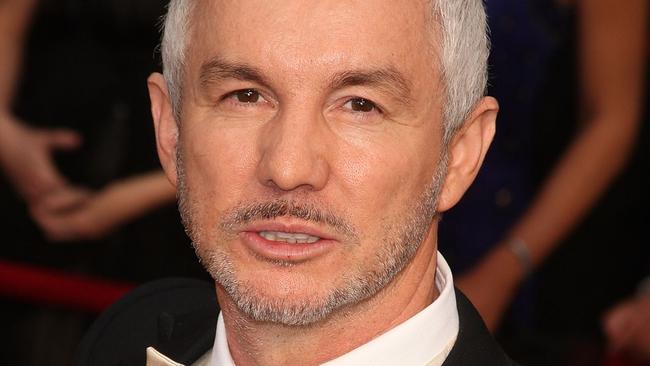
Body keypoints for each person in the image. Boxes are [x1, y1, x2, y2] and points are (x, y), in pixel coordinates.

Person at [77, 0, 515, 365]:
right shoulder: (123, 338)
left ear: (460, 155)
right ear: (170, 129)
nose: (288, 169)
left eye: (360, 105)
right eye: (245, 95)